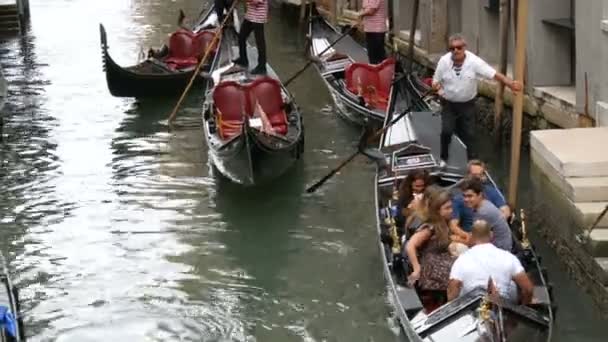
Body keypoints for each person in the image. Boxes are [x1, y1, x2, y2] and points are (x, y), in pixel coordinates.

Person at [432, 34, 522, 166]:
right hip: (449, 103)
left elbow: (494, 74)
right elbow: (435, 80)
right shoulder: (444, 62)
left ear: (464, 47)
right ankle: (443, 158)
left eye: (459, 47)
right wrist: (436, 87)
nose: (456, 50)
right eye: (452, 48)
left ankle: (472, 162)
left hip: (467, 104)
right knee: (446, 131)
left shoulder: (474, 62)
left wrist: (510, 84)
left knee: (470, 134)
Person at [447, 219, 534, 305]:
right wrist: (524, 307)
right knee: (512, 285)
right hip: (503, 306)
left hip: (472, 307)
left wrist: (455, 308)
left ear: (472, 236)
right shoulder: (508, 257)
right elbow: (528, 289)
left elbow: (453, 288)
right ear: (491, 235)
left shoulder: (461, 260)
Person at [405, 190, 456, 311]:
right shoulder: (430, 227)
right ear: (438, 210)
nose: (451, 211)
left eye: (451, 207)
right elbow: (410, 245)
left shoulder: (444, 223)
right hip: (431, 265)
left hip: (442, 259)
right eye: (447, 208)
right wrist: (417, 268)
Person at [450, 160, 511, 237]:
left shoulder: (491, 191)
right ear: (467, 175)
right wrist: (468, 236)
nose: (478, 178)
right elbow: (453, 225)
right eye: (474, 175)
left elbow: (506, 211)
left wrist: (493, 228)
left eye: (480, 175)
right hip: (470, 235)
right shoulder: (458, 198)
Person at [454, 178, 513, 251]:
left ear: (480, 195)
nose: (466, 199)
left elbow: (473, 242)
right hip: (497, 244)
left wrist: (455, 239)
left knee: (455, 247)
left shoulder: (483, 212)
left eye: (470, 196)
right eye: (464, 196)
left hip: (499, 250)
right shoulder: (484, 203)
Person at [232, 0, 268, 75]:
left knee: (260, 42)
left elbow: (257, 1)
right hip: (250, 15)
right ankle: (243, 60)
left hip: (258, 17)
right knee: (241, 37)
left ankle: (262, 67)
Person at [356, 0, 387, 64]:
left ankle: (382, 71)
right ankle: (374, 70)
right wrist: (360, 21)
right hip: (369, 29)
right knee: (371, 53)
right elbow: (364, 9)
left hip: (377, 29)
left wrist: (359, 15)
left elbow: (371, 11)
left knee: (378, 54)